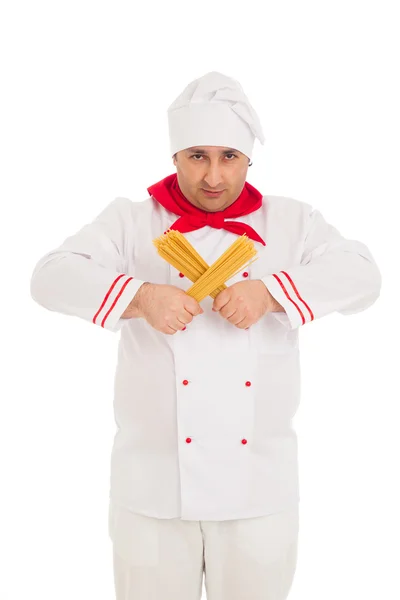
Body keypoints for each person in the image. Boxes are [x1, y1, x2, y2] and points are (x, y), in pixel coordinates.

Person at [30, 71, 382, 600]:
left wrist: (270, 291)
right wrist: (142, 296)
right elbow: (49, 276)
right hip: (150, 490)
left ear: (248, 160)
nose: (214, 176)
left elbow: (364, 277)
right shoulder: (131, 221)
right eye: (197, 156)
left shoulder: (291, 222)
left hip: (259, 490)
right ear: (174, 158)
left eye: (229, 157)